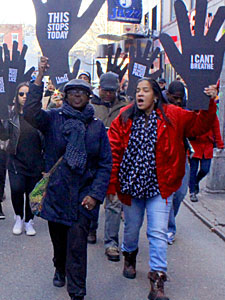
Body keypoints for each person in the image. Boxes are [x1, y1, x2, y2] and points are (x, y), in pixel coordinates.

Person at [107, 77, 217, 300]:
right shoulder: (124, 117)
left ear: (156, 95)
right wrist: (111, 183)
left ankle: (157, 280)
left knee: (157, 233)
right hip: (131, 187)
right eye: (137, 90)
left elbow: (199, 125)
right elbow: (113, 149)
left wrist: (211, 102)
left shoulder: (173, 114)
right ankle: (129, 256)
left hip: (161, 186)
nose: (140, 94)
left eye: (145, 91)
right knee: (131, 229)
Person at [23, 57, 112, 300]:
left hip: (83, 197)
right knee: (60, 243)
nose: (77, 96)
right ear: (66, 95)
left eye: (82, 92)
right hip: (57, 194)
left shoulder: (96, 127)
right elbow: (30, 112)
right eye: (72, 92)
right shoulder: (53, 118)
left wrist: (95, 194)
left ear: (88, 96)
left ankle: (77, 292)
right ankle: (58, 266)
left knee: (77, 247)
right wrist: (39, 77)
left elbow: (105, 163)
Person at [91, 71, 128, 261]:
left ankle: (111, 243)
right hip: (94, 159)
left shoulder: (126, 107)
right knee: (92, 197)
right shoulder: (91, 106)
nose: (108, 94)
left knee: (114, 202)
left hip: (116, 159)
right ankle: (91, 228)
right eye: (105, 90)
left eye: (111, 91)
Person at [0, 82, 44, 235]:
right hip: (15, 160)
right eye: (21, 94)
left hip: (35, 161)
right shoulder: (11, 115)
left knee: (32, 193)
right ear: (16, 96)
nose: (24, 97)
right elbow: (4, 136)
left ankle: (29, 221)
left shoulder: (40, 116)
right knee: (17, 189)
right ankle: (19, 217)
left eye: (27, 94)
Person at [165, 80, 190, 244]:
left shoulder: (186, 110)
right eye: (175, 98)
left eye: (181, 98)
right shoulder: (160, 109)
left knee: (180, 193)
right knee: (168, 194)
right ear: (168, 96)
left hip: (182, 156)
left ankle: (167, 219)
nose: (178, 101)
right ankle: (168, 228)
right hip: (165, 157)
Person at [189, 115, 224, 202]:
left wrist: (220, 144)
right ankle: (192, 191)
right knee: (193, 170)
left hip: (207, 146)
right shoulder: (192, 113)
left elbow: (216, 130)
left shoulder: (212, 115)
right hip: (194, 145)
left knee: (205, 169)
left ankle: (196, 181)